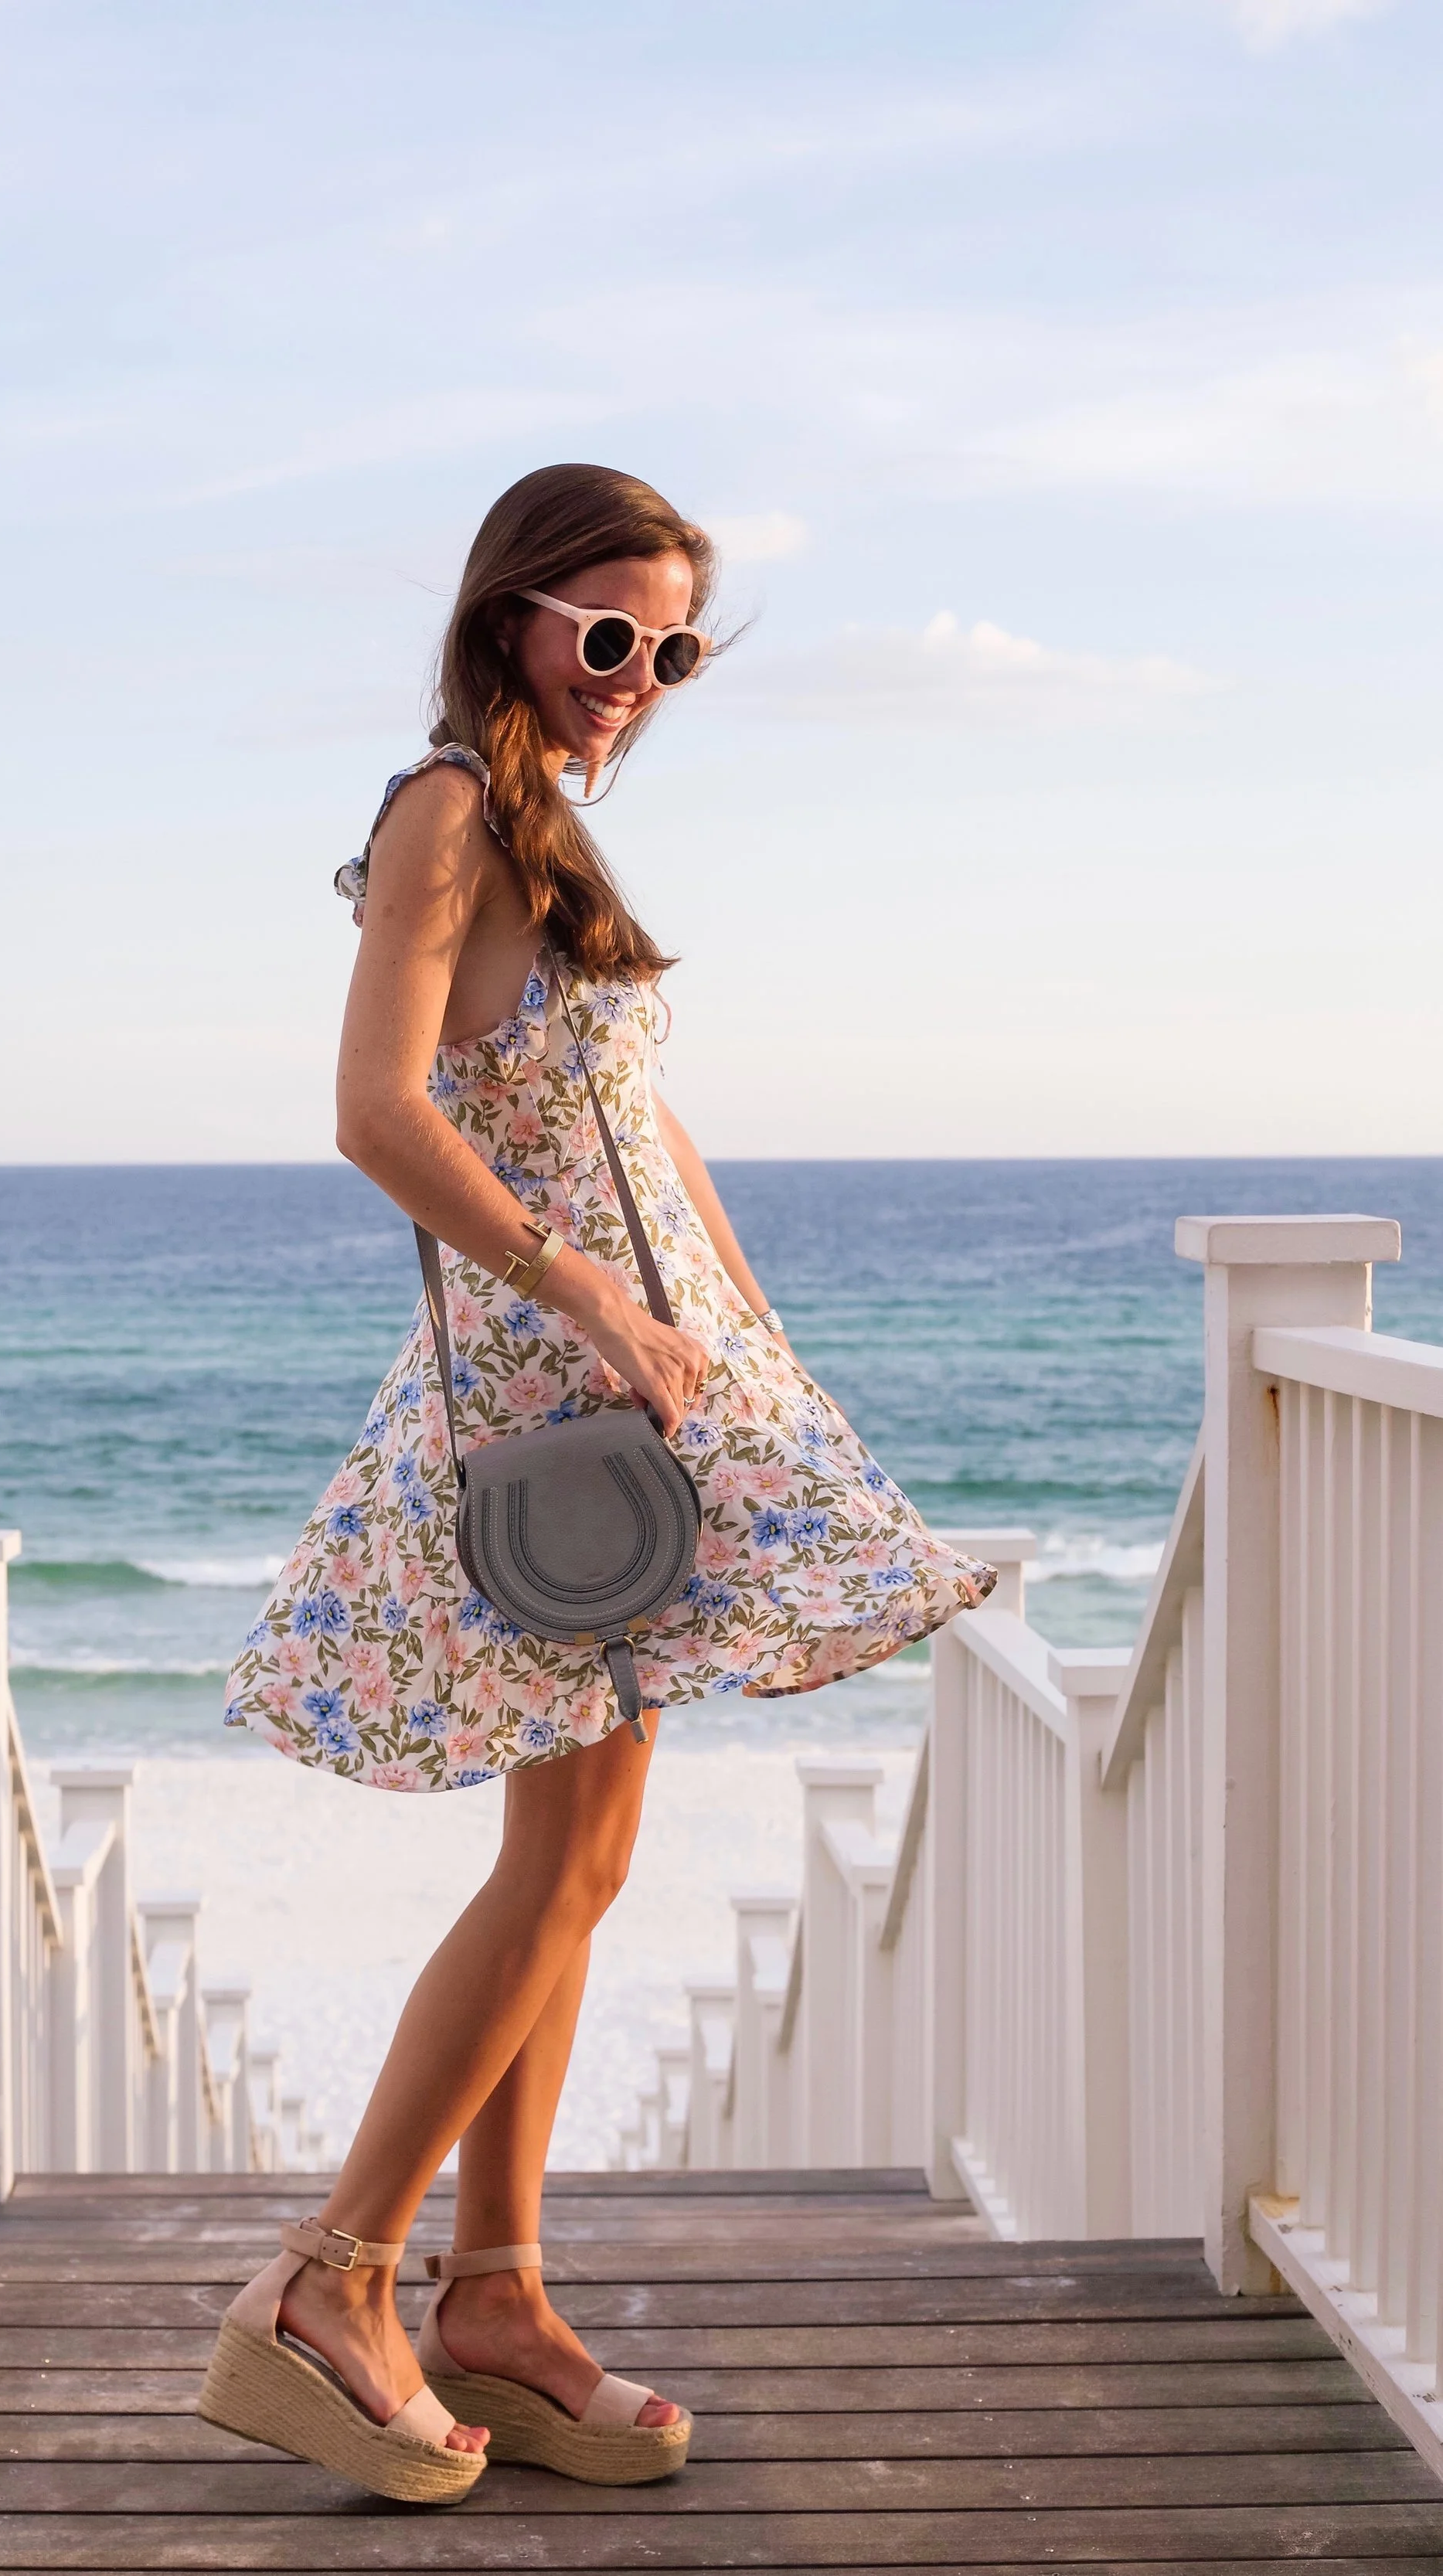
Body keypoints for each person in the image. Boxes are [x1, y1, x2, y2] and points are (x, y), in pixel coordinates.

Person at [201, 463, 993, 2503]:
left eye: (676, 646)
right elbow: (376, 1110)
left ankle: (496, 2289)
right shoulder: (444, 809)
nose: (641, 675)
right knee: (556, 1865)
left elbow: (648, 1133)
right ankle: (335, 2273)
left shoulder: (547, 835)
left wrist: (751, 1354)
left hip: (646, 1411)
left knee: (592, 1856)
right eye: (609, 634)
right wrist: (588, 1293)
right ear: (511, 621)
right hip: (552, 1423)